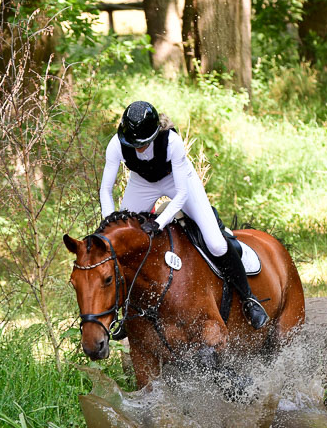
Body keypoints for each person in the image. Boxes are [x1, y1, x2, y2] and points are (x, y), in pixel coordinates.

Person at [100, 100, 268, 330]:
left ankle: (249, 300)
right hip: (142, 184)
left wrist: (158, 223)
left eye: (143, 143)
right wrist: (109, 226)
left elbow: (180, 194)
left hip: (179, 182)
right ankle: (128, 313)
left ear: (155, 133)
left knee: (217, 245)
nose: (138, 148)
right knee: (122, 245)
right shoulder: (116, 144)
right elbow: (105, 190)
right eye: (134, 143)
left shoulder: (172, 142)